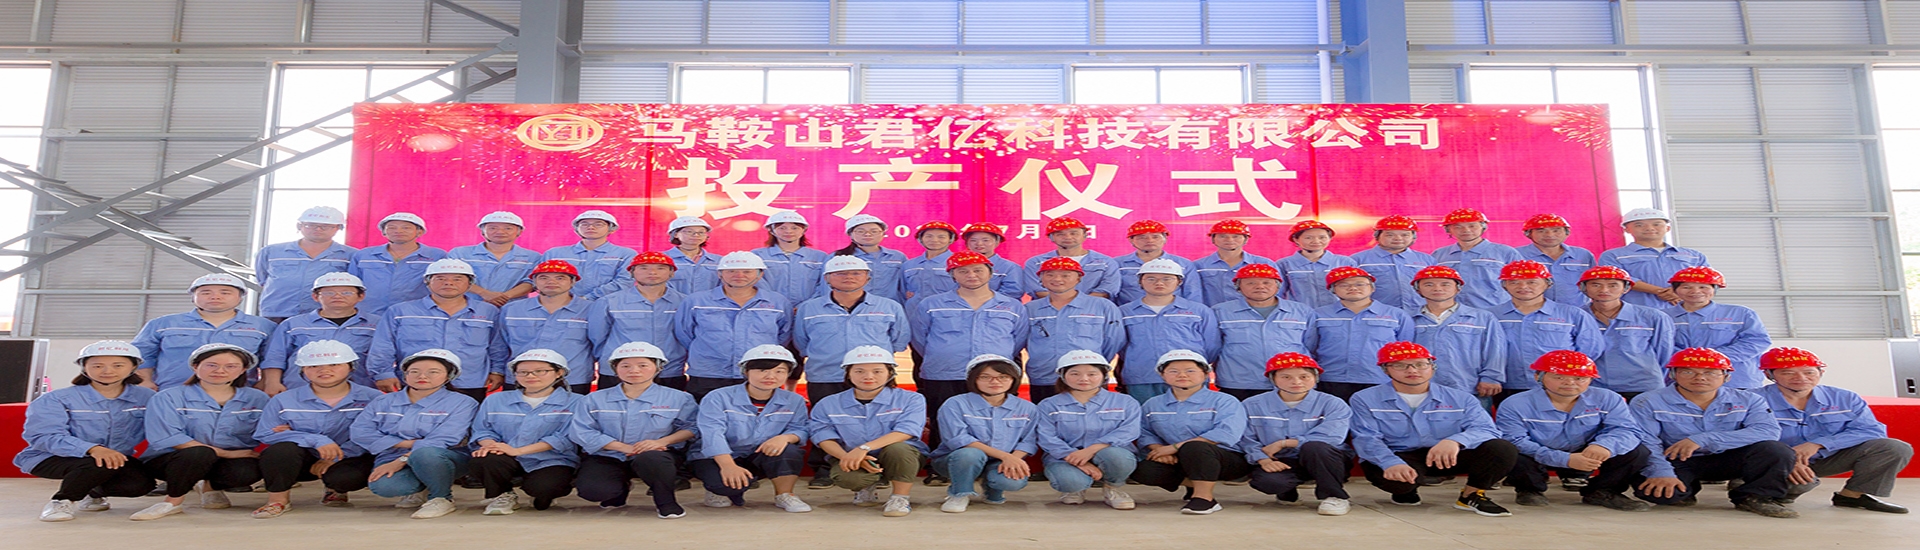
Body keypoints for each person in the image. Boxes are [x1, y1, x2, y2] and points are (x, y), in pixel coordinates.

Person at [1350, 342, 1518, 517]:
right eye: (1400, 365)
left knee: (1502, 448)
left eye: (1420, 364)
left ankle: (1471, 495)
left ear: (1432, 367)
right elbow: (1366, 438)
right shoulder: (1365, 398)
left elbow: (1486, 429)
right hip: (1401, 455)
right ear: (1385, 369)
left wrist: (1455, 441)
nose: (1412, 370)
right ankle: (1407, 490)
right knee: (1398, 482)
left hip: (1447, 455)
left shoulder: (1461, 398)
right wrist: (1391, 463)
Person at [1630, 347, 1797, 518]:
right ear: (1673, 374)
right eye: (1688, 372)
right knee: (1659, 493)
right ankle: (1686, 489)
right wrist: (1661, 472)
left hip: (1730, 458)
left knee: (1776, 450)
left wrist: (1705, 439)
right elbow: (1647, 441)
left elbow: (1768, 431)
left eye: (1710, 372)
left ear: (1726, 376)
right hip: (1676, 460)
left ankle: (1756, 497)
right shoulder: (1647, 401)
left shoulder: (1749, 400)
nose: (1700, 377)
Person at [1495, 350, 1654, 512]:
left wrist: (1605, 446)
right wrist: (1565, 459)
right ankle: (1529, 489)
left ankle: (1603, 491)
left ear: (1591, 379)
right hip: (1539, 454)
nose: (1569, 383)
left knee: (1637, 452)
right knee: (1511, 451)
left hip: (1587, 453)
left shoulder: (1609, 398)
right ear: (1538, 377)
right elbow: (1515, 440)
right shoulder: (1515, 404)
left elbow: (1627, 430)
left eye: (1579, 378)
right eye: (1559, 377)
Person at [1757, 347, 1911, 513]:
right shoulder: (1753, 400)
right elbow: (1746, 437)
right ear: (1768, 374)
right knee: (1798, 485)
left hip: (1825, 458)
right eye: (1788, 373)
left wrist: (1819, 444)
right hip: (1773, 462)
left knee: (1893, 448)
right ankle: (1763, 489)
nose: (1801, 378)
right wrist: (1784, 458)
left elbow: (1872, 430)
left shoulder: (1845, 398)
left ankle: (1852, 496)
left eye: (1809, 372)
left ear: (1821, 372)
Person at [16, 341, 157, 522]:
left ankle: (92, 492)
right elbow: (43, 436)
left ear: (133, 367)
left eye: (118, 365)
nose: (107, 371)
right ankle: (61, 501)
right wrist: (93, 449)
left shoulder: (147, 398)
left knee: (141, 484)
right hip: (50, 457)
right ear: (84, 367)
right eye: (97, 366)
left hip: (113, 458)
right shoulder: (56, 399)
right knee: (98, 462)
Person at [908, 251, 1028, 464]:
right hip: (944, 373)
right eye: (963, 271)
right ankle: (941, 466)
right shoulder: (931, 304)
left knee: (994, 419)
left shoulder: (1012, 306)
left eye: (978, 270)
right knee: (941, 419)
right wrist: (944, 355)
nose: (971, 275)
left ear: (990, 273)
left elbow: (1018, 340)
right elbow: (919, 338)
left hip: (993, 376)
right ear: (952, 275)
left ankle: (995, 464)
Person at [132, 343, 269, 521]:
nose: (220, 371)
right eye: (211, 365)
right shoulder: (168, 397)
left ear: (243, 370)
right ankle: (172, 502)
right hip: (176, 459)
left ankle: (209, 486)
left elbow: (268, 428)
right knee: (199, 453)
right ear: (195, 367)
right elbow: (167, 437)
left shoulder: (257, 399)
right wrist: (227, 453)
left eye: (231, 366)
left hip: (227, 460)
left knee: (246, 472)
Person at [251, 340, 384, 518]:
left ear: (351, 367)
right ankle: (277, 501)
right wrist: (316, 440)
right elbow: (265, 433)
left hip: (351, 457)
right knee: (280, 451)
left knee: (345, 478)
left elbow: (375, 434)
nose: (324, 370)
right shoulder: (284, 400)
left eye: (334, 364)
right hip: (303, 460)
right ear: (303, 370)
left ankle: (335, 489)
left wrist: (335, 457)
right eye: (313, 366)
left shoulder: (373, 398)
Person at [570, 342, 698, 519]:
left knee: (653, 460)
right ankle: (619, 490)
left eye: (643, 365)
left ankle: (666, 501)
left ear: (658, 367)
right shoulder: (594, 399)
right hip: (609, 455)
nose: (634, 370)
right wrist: (624, 447)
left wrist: (661, 442)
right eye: (625, 366)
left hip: (656, 455)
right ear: (615, 369)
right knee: (593, 491)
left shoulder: (679, 398)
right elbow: (582, 431)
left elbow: (692, 427)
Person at [352, 349, 480, 520]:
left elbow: (444, 439)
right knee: (385, 486)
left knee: (425, 454)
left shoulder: (463, 403)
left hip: (442, 457)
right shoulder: (384, 401)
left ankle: (441, 498)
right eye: (414, 371)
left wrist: (401, 460)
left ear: (449, 376)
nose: (422, 376)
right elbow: (360, 431)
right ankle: (422, 487)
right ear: (405, 375)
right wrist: (404, 445)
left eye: (433, 372)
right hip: (391, 455)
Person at [809, 346, 930, 517]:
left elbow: (907, 430)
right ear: (848, 374)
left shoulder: (911, 399)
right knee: (849, 478)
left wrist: (863, 448)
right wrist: (848, 457)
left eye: (877, 371)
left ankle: (900, 498)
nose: (868, 376)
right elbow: (822, 436)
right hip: (851, 455)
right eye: (859, 371)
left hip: (898, 456)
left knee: (899, 449)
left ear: (890, 373)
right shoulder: (828, 404)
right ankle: (865, 488)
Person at [690, 345, 813, 513]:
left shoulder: (793, 400)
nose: (770, 376)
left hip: (758, 454)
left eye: (780, 371)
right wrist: (728, 465)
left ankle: (785, 494)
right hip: (719, 457)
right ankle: (719, 490)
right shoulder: (718, 397)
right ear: (746, 371)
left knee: (790, 450)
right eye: (762, 370)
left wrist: (785, 438)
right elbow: (712, 433)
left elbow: (800, 428)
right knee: (724, 487)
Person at [366, 258, 509, 400]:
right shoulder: (401, 311)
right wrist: (383, 374)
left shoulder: (488, 312)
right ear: (427, 281)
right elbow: (383, 345)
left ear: (470, 283)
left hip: (469, 382)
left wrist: (497, 371)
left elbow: (497, 346)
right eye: (440, 278)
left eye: (457, 279)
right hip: (415, 381)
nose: (448, 283)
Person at [1130, 350, 1250, 515]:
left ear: (1205, 374)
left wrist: (1174, 447)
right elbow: (1144, 431)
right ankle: (1194, 485)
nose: (1182, 375)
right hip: (1179, 459)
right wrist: (1158, 449)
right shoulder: (1153, 404)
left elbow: (1227, 432)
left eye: (1190, 370)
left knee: (1195, 447)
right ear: (1163, 376)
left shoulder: (1225, 401)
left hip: (1224, 459)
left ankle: (1204, 498)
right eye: (1173, 371)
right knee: (1142, 470)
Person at [469, 349, 584, 515]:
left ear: (559, 373)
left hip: (550, 459)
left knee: (546, 487)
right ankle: (502, 495)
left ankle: (543, 494)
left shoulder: (577, 402)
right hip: (505, 456)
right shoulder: (496, 399)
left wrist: (518, 451)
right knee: (483, 458)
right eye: (523, 372)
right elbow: (482, 430)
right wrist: (491, 445)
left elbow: (565, 438)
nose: (530, 376)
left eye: (540, 371)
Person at [1239, 352, 1355, 516]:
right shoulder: (1252, 405)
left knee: (1315, 447)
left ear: (1315, 378)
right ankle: (1286, 492)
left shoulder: (1332, 403)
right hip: (1281, 460)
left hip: (1324, 459)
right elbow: (1245, 438)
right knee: (1268, 482)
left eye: (1304, 376)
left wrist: (1284, 443)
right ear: (1272, 379)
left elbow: (1332, 437)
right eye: (1286, 377)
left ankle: (1334, 496)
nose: (1296, 382)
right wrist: (1263, 459)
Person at [674, 251, 793, 400]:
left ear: (760, 275)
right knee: (704, 412)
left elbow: (783, 335)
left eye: (747, 271)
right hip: (708, 373)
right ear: (720, 274)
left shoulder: (778, 302)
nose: (739, 275)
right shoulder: (696, 301)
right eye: (731, 271)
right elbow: (684, 333)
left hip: (759, 373)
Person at [130, 273, 275, 390]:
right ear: (193, 297)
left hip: (240, 395)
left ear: (240, 298)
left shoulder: (263, 326)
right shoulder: (163, 324)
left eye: (225, 292)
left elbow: (271, 359)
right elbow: (142, 355)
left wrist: (266, 383)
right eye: (206, 292)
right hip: (172, 391)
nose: (215, 297)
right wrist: (145, 380)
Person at [931, 354, 1037, 513]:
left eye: (1003, 377)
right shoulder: (955, 404)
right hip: (957, 460)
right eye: (985, 377)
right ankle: (959, 493)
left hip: (999, 461)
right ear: (973, 379)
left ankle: (992, 488)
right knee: (970, 454)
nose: (995, 382)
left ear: (1013, 379)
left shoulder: (1027, 408)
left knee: (1013, 482)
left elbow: (1029, 440)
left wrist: (1013, 459)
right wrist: (1006, 456)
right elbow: (958, 439)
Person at [1035, 350, 1139, 510]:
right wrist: (1073, 458)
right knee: (1070, 482)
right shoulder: (1049, 405)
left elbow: (1129, 430)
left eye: (1092, 374)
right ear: (1063, 376)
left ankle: (1112, 488)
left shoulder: (1125, 402)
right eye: (1075, 374)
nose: (1084, 379)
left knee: (1118, 458)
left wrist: (1091, 450)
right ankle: (1076, 488)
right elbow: (1046, 437)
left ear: (1104, 375)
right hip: (1065, 457)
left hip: (1108, 453)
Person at [1490, 260, 1606, 405]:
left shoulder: (1573, 315)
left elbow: (1590, 350)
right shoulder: (1490, 316)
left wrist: (1566, 376)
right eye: (1514, 282)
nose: (1523, 287)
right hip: (1507, 384)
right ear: (1504, 285)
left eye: (1532, 282)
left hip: (1560, 387)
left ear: (1548, 284)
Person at [258, 272, 380, 395]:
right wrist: (272, 382)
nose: (337, 296)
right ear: (315, 297)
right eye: (329, 293)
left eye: (346, 292)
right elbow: (275, 356)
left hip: (359, 390)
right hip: (298, 389)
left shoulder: (377, 324)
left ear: (361, 296)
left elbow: (383, 355)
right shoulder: (293, 324)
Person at [1022, 256, 1123, 404]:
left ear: (1079, 278)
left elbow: (1114, 340)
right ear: (1040, 279)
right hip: (1044, 376)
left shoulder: (1102, 306)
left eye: (1065, 275)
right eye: (1050, 274)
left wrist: (1094, 364)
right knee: (1046, 415)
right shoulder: (1030, 309)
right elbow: (1020, 340)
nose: (1057, 279)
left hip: (1088, 379)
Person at [1114, 258, 1217, 402]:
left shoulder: (1199, 311)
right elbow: (1119, 345)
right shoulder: (1124, 312)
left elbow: (1212, 346)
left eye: (1167, 278)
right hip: (1142, 377)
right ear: (1140, 282)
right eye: (1151, 279)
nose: (1159, 283)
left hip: (1189, 378)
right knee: (1147, 414)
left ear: (1179, 281)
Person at [1305, 266, 1416, 400]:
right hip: (1331, 379)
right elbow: (1309, 348)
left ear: (1372, 288)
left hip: (1380, 379)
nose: (1353, 288)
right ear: (1333, 290)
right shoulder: (1318, 315)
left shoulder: (1396, 315)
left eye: (1360, 284)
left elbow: (1405, 350)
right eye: (1344, 285)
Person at [586, 252, 689, 391]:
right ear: (631, 272)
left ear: (672, 273)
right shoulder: (609, 302)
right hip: (620, 372)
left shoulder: (685, 303)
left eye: (660, 268)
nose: (652, 272)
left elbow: (689, 336)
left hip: (669, 370)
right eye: (643, 268)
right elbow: (597, 337)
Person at [1213, 264, 1316, 400]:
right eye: (1251, 283)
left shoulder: (1302, 311)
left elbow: (1311, 345)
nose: (1260, 286)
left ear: (1278, 286)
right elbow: (1213, 347)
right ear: (1238, 287)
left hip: (1291, 383)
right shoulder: (1220, 312)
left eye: (1267, 282)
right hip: (1238, 382)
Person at [1408, 265, 1506, 401]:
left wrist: (1491, 377)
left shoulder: (1482, 317)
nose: (1437, 288)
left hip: (1470, 386)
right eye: (1429, 284)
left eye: (1445, 284)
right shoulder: (1408, 318)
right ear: (1417, 289)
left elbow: (1495, 349)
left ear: (1458, 288)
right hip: (1420, 388)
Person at [499, 260, 596, 394]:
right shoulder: (512, 309)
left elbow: (599, 343)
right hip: (521, 378)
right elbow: (500, 345)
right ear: (534, 282)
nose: (551, 282)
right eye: (543, 278)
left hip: (572, 378)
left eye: (560, 278)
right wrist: (497, 371)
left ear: (573, 282)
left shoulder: (591, 309)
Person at [1667, 266, 1771, 390]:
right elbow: (1659, 346)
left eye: (1703, 287)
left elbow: (1757, 341)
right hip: (1684, 380)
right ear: (1675, 290)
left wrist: (1713, 357)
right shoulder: (1662, 316)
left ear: (1715, 289)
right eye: (1686, 287)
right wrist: (1686, 359)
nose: (1695, 291)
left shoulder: (1740, 313)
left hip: (1736, 380)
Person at [1580, 266, 1674, 402]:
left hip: (1643, 385)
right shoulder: (1576, 317)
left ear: (1626, 288)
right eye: (1596, 285)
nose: (1604, 290)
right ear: (1583, 288)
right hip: (1594, 385)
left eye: (1613, 285)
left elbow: (1664, 354)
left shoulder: (1653, 317)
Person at [254, 206, 354, 322]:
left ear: (338, 228)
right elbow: (263, 280)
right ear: (299, 226)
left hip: (325, 315)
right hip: (276, 313)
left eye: (325, 226)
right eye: (310, 225)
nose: (318, 229)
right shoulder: (271, 251)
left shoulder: (350, 255)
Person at [1598, 208, 1711, 308]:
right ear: (1626, 229)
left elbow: (1707, 279)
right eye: (1639, 225)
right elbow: (1615, 279)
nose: (1649, 228)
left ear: (1668, 228)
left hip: (1686, 311)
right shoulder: (1613, 255)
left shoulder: (1693, 255)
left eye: (1657, 224)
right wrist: (1659, 291)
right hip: (1637, 312)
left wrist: (1677, 291)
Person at [348, 212, 447, 315]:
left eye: (406, 228)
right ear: (383, 232)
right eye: (392, 227)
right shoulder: (364, 255)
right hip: (369, 314)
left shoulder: (436, 256)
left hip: (416, 315)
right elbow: (351, 285)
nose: (398, 231)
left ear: (420, 232)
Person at [1430, 208, 1521, 309]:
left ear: (1483, 227)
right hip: (1451, 312)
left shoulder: (1505, 252)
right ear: (1448, 230)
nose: (1466, 230)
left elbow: (1522, 283)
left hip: (1494, 310)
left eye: (1472, 226)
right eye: (1458, 227)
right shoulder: (1439, 255)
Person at [541, 210, 639, 300]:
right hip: (562, 305)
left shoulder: (625, 254)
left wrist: (588, 298)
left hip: (607, 305)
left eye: (598, 224)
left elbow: (624, 282)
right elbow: (540, 280)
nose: (591, 227)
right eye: (584, 224)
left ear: (611, 229)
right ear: (576, 229)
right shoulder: (555, 254)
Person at [448, 211, 538, 307]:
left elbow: (532, 282)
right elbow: (451, 278)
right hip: (468, 308)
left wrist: (504, 297)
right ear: (482, 231)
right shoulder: (460, 254)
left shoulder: (532, 257)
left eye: (508, 228)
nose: (500, 232)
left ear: (519, 232)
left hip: (514, 308)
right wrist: (484, 293)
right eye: (493, 228)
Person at [1022, 217, 1119, 300]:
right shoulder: (1036, 263)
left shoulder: (1105, 262)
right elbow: (1037, 290)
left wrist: (1083, 304)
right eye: (1060, 234)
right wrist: (1064, 304)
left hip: (1094, 311)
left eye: (1074, 233)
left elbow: (1107, 289)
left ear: (1085, 235)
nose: (1068, 237)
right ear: (1051, 238)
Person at [1351, 215, 1434, 311]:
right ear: (1377, 236)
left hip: (1419, 313)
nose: (1398, 238)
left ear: (1413, 237)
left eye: (1405, 235)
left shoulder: (1427, 260)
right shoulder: (1358, 260)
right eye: (1390, 235)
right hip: (1376, 313)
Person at [823, 214, 907, 303]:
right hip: (852, 306)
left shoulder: (897, 257)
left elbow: (905, 285)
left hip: (889, 306)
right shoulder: (838, 257)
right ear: (850, 234)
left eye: (874, 231)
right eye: (860, 231)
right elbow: (826, 287)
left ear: (883, 234)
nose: (867, 234)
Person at [753, 210, 830, 306]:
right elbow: (756, 283)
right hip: (769, 307)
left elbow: (824, 285)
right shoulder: (757, 256)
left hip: (810, 308)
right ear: (771, 230)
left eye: (795, 228)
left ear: (803, 230)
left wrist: (806, 305)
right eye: (782, 228)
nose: (788, 231)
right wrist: (775, 303)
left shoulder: (820, 257)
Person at [1517, 214, 1596, 307]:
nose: (1549, 235)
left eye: (1556, 230)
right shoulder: (1517, 255)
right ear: (1529, 234)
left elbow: (1594, 283)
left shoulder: (1583, 255)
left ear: (1567, 232)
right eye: (1541, 231)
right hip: (1530, 310)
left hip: (1577, 310)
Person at [1114, 220, 1201, 304]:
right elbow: (1112, 293)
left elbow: (1192, 294)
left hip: (1174, 312)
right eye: (1142, 237)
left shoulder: (1183, 264)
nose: (1150, 240)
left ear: (1165, 238)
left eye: (1155, 237)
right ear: (1131, 240)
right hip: (1129, 312)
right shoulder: (1117, 264)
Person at [1192, 219, 1276, 307]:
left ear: (1246, 239)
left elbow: (1276, 293)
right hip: (1212, 312)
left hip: (1252, 313)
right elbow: (1193, 294)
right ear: (1213, 239)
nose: (1229, 240)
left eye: (1236, 236)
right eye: (1222, 236)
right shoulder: (1199, 266)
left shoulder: (1264, 264)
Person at [1278, 220, 1355, 310]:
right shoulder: (1284, 264)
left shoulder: (1345, 262)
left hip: (1338, 313)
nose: (1316, 241)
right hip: (1300, 313)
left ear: (1330, 238)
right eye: (1308, 238)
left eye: (1322, 237)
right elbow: (1278, 294)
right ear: (1296, 239)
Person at [958, 222, 1026, 298]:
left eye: (985, 240)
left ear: (997, 242)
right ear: (966, 243)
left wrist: (979, 301)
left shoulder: (1010, 267)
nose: (979, 244)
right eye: (973, 240)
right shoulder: (957, 265)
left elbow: (1013, 292)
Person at [901, 221, 960, 300]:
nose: (934, 240)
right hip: (914, 307)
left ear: (951, 239)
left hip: (946, 307)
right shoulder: (909, 265)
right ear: (921, 239)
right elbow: (902, 291)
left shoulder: (958, 263)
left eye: (941, 237)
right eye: (929, 236)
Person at [663, 216, 721, 295]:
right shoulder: (663, 259)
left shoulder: (718, 261)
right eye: (689, 231)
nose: (696, 235)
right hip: (671, 302)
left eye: (701, 232)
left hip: (707, 302)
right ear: (676, 234)